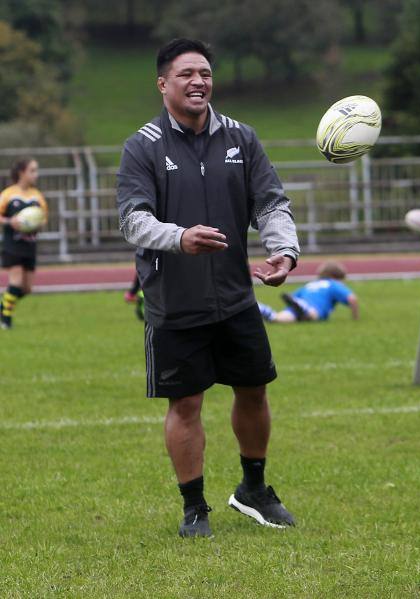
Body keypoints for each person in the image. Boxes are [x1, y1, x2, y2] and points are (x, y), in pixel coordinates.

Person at [116, 38, 300, 538]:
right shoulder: (143, 146)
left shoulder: (243, 137)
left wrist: (283, 252)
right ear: (162, 84)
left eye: (205, 73)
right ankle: (194, 507)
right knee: (187, 404)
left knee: (254, 390)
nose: (199, 82)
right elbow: (133, 221)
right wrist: (180, 238)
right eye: (186, 74)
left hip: (237, 297)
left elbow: (272, 204)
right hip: (175, 303)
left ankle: (253, 489)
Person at [0, 158, 47, 330]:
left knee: (27, 289)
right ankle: (6, 320)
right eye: (32, 171)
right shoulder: (8, 194)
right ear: (22, 173)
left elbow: (43, 219)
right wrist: (9, 221)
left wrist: (36, 223)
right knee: (16, 281)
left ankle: (4, 304)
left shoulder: (37, 196)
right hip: (12, 244)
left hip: (30, 246)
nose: (36, 174)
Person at [258, 261, 358, 323]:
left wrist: (293, 304)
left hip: (297, 305)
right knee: (313, 315)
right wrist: (355, 318)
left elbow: (293, 296)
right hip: (314, 309)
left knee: (278, 319)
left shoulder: (310, 284)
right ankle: (303, 308)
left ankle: (261, 308)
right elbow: (352, 299)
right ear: (336, 277)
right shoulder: (332, 284)